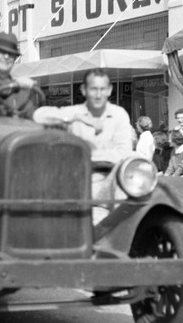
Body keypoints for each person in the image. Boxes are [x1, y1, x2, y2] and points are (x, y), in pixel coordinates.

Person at [33, 68, 135, 223]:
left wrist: (88, 154)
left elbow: (124, 151)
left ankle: (118, 230)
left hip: (110, 177)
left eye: (102, 89)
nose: (98, 95)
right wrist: (76, 117)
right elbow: (38, 116)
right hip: (79, 178)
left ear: (109, 90)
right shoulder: (75, 112)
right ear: (84, 90)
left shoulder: (119, 114)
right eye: (93, 89)